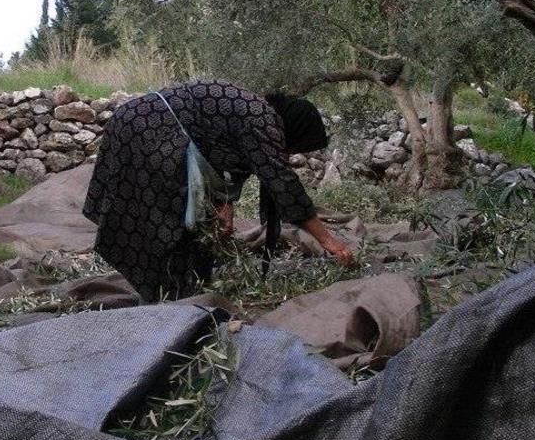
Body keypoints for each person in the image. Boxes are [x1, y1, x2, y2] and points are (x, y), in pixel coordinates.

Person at [83, 79, 355, 302]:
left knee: (181, 224)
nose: (290, 153)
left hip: (134, 124)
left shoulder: (252, 111)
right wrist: (328, 240)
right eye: (296, 147)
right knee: (168, 223)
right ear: (295, 130)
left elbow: (225, 158)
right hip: (149, 131)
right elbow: (282, 182)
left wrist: (226, 206)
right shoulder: (263, 119)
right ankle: (169, 300)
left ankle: (176, 292)